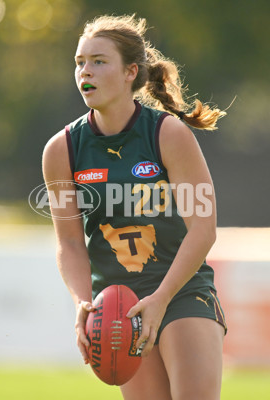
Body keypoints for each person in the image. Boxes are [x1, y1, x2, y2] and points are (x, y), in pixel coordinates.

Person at [42, 14, 228, 400]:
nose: (84, 72)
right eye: (79, 62)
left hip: (180, 293)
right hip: (118, 307)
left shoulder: (168, 134)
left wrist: (160, 299)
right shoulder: (61, 150)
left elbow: (204, 229)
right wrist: (83, 303)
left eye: (98, 61)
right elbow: (70, 244)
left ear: (130, 72)